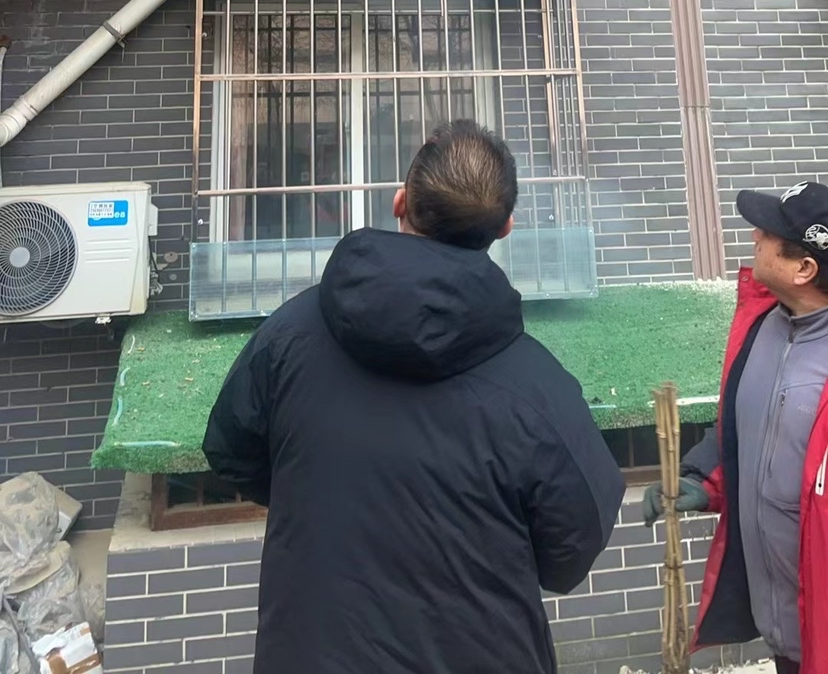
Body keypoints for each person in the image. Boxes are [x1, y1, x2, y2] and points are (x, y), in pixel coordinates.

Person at [203, 119, 624, 674]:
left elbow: (231, 451)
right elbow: (572, 548)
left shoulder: (288, 335)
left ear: (401, 201)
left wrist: (318, 496)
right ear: (505, 227)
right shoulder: (536, 387)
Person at [642, 181, 828, 674]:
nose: (754, 236)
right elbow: (746, 428)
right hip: (781, 630)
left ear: (804, 269)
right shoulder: (761, 325)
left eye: (768, 233)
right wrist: (703, 480)